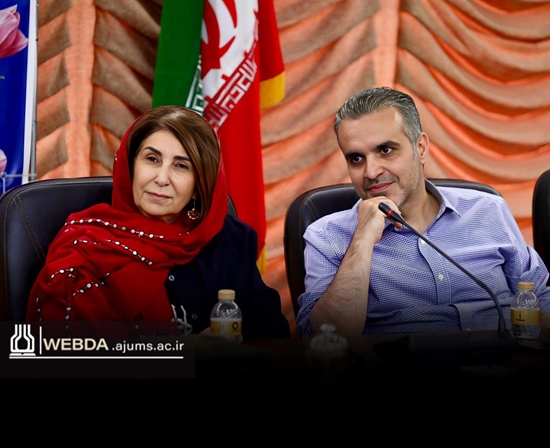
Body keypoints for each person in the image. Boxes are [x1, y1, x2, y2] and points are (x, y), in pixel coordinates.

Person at [295, 86, 550, 341]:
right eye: (356, 159)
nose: (370, 172)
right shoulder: (327, 236)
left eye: (385, 150)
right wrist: (362, 240)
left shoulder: (487, 209)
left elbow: (541, 300)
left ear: (421, 148)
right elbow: (325, 338)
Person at [26, 105, 290, 341]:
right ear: (130, 167)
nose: (162, 179)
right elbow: (69, 350)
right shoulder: (85, 244)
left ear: (199, 187)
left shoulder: (227, 239)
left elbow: (272, 334)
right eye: (152, 159)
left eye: (181, 166)